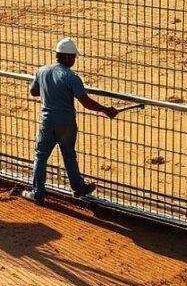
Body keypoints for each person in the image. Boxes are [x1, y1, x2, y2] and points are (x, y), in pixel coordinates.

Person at [21, 38, 119, 204]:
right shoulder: (71, 77)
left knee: (41, 156)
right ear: (66, 57)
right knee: (69, 156)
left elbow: (33, 91)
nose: (74, 60)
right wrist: (106, 110)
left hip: (47, 121)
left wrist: (48, 92)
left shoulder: (42, 71)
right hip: (66, 123)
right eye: (73, 57)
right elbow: (86, 102)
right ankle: (78, 188)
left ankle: (37, 193)